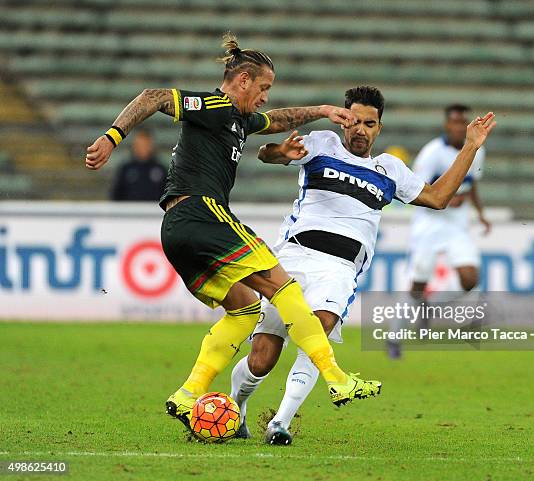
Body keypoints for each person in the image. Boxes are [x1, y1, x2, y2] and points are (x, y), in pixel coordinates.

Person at [84, 32, 382, 432]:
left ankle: (189, 392)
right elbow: (154, 96)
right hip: (203, 212)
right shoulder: (214, 105)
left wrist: (324, 110)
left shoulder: (238, 119)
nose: (264, 97)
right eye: (263, 88)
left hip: (174, 229)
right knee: (284, 286)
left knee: (244, 309)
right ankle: (336, 377)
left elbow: (277, 120)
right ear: (242, 80)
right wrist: (111, 137)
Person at [229, 86, 497, 444]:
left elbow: (438, 197)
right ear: (343, 121)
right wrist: (280, 152)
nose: (360, 130)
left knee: (317, 336)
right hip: (292, 258)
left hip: (340, 268)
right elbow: (266, 154)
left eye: (369, 124)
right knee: (262, 358)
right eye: (354, 121)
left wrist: (470, 146)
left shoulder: (390, 169)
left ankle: (280, 422)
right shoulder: (322, 143)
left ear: (378, 128)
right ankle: (236, 407)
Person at [388, 104, 491, 359]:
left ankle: (428, 308)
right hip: (429, 223)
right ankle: (394, 337)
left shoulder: (477, 150)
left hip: (457, 224)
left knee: (470, 279)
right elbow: (417, 190)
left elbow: (472, 183)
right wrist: (446, 198)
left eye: (462, 122)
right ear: (447, 125)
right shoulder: (432, 153)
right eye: (454, 122)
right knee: (418, 283)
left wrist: (480, 213)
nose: (458, 126)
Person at [110, 129, 167, 201]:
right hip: (130, 211)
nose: (142, 148)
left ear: (151, 146)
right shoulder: (125, 169)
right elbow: (116, 195)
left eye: (145, 145)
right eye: (139, 144)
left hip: (155, 211)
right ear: (134, 145)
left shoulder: (161, 169)